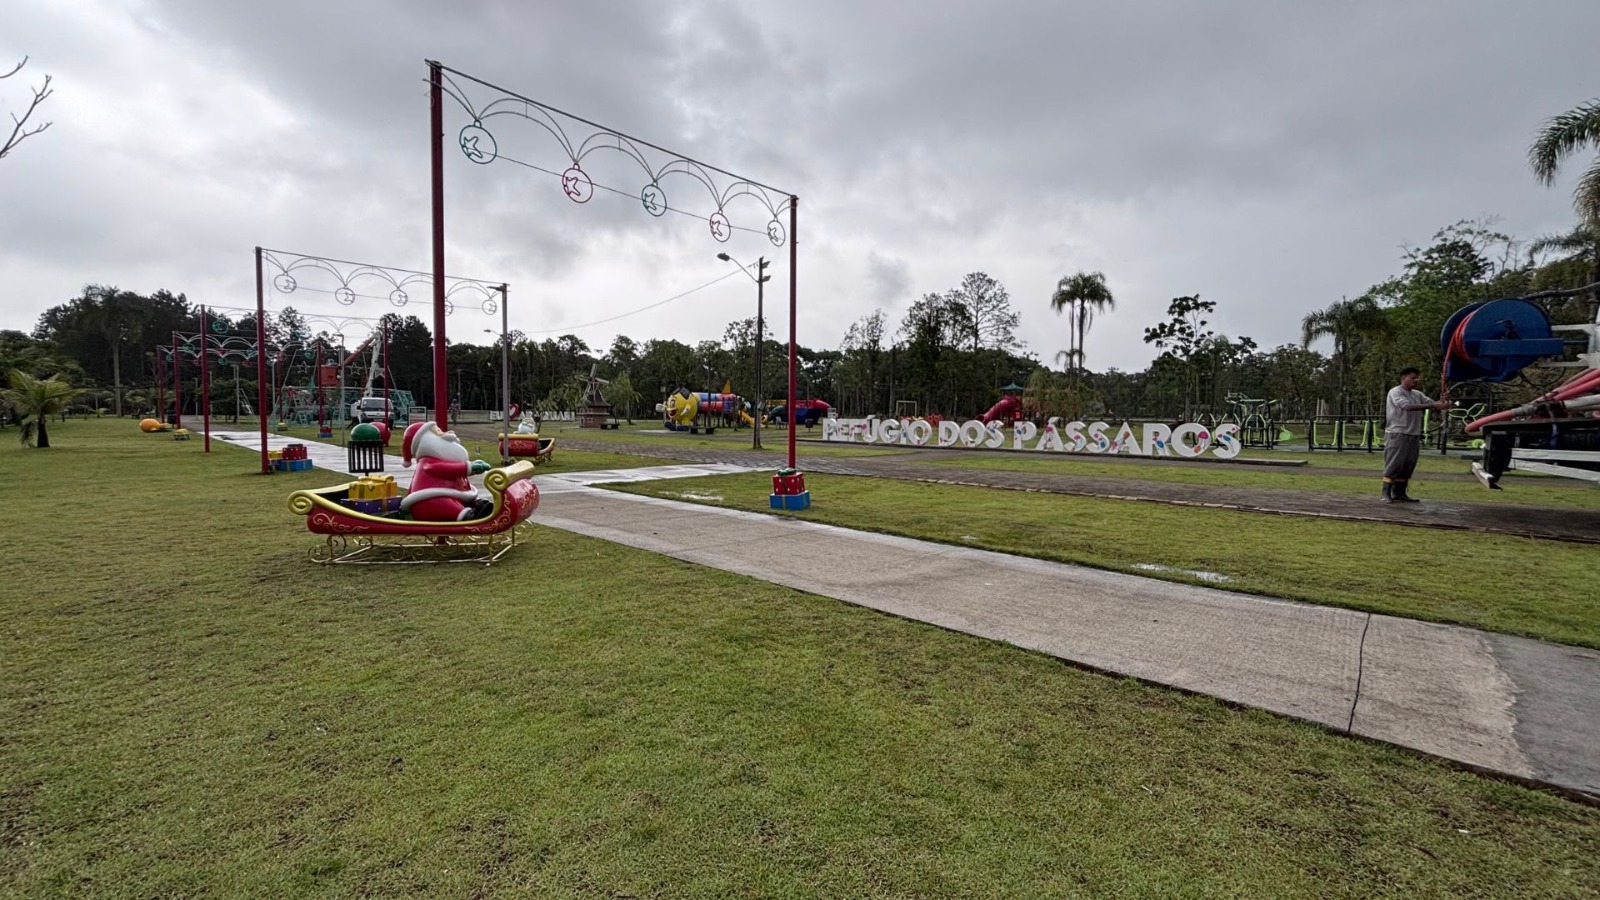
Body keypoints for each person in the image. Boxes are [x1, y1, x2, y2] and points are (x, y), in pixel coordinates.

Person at [1382, 367, 1450, 503]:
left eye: (1418, 378)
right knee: (1395, 463)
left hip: (1413, 433)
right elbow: (1406, 406)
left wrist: (1442, 403)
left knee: (1408, 464)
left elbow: (1431, 403)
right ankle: (1386, 493)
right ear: (1403, 378)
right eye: (1413, 378)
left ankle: (1400, 492)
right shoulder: (1395, 392)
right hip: (1398, 433)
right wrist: (1433, 406)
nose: (1416, 380)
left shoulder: (1417, 394)